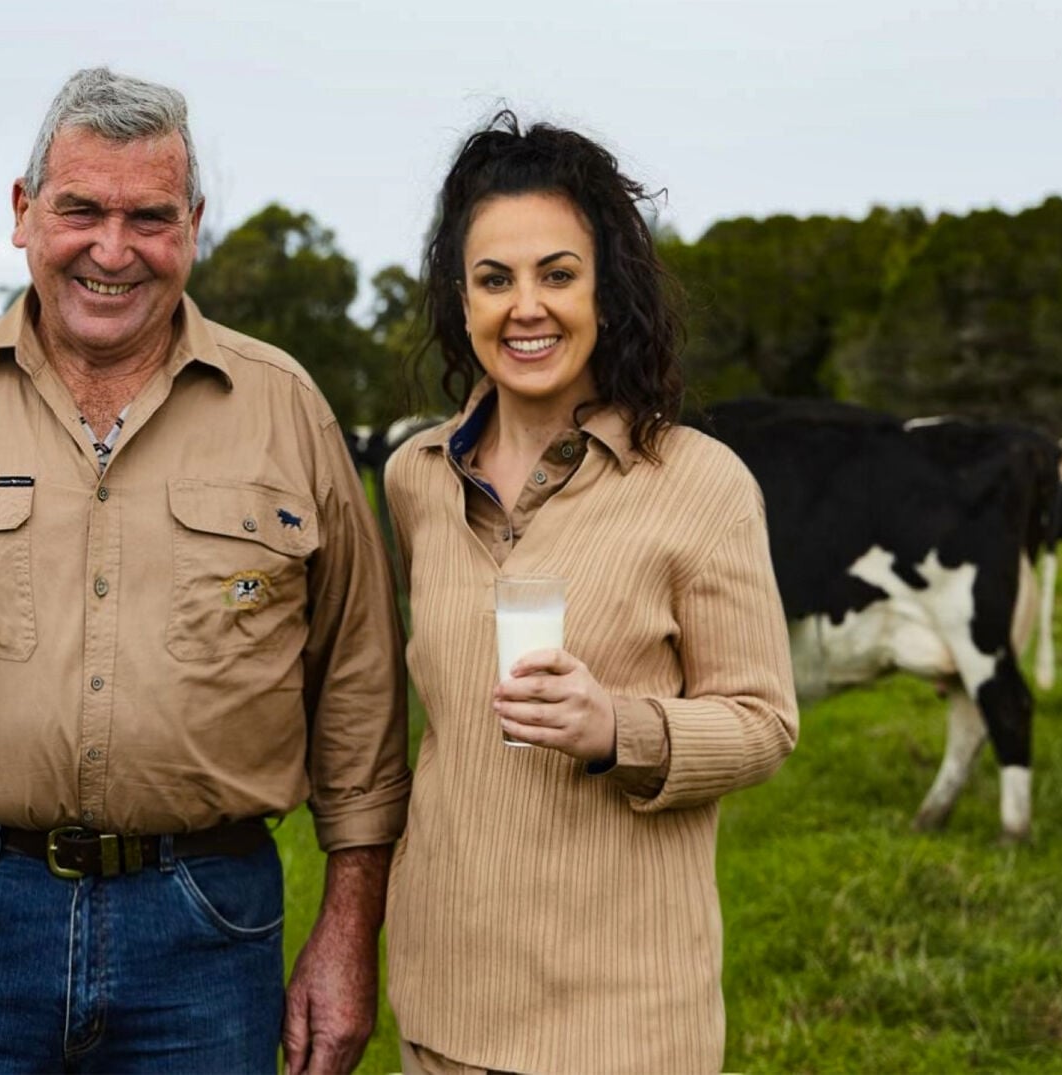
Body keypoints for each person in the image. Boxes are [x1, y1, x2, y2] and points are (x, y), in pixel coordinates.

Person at [0, 67, 409, 1075]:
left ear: (193, 224)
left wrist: (348, 935)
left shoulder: (288, 413)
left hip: (208, 923)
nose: (112, 249)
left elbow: (360, 694)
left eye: (148, 216)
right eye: (81, 210)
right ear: (23, 212)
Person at [380, 113, 799, 1074]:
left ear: (606, 291)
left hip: (625, 1023)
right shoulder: (414, 480)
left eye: (556, 274)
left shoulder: (701, 481)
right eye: (495, 279)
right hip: (444, 1005)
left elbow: (764, 722)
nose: (525, 307)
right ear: (462, 299)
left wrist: (619, 727)